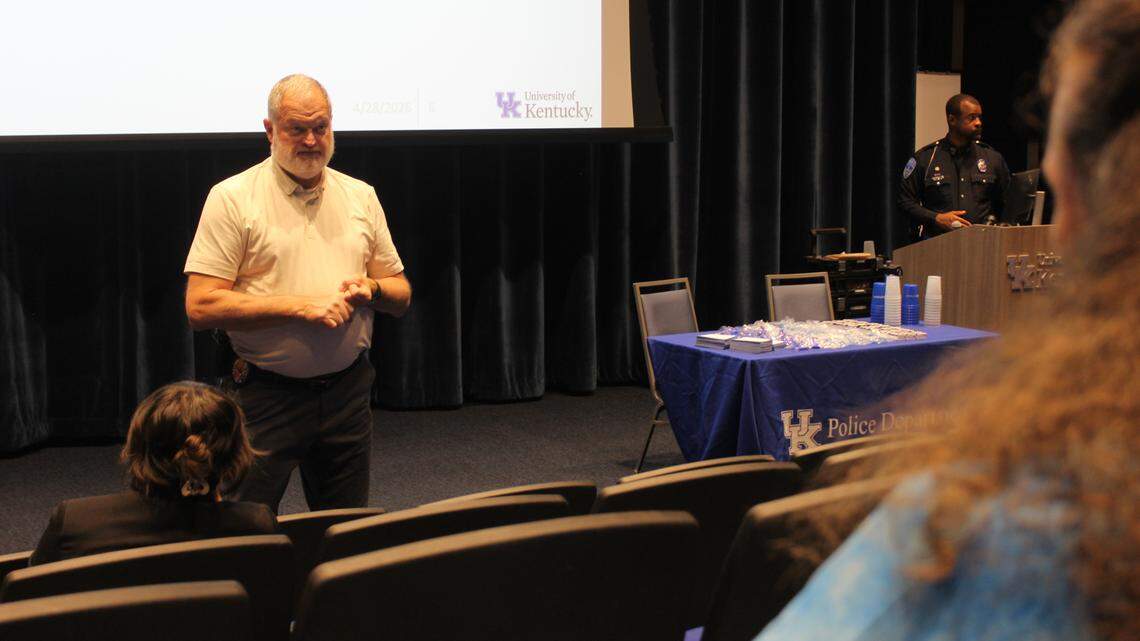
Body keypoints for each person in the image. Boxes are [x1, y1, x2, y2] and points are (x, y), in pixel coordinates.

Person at [757, 1, 1139, 640]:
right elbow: (904, 199)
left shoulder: (991, 515)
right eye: (974, 113)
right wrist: (940, 222)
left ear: (1077, 212)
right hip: (935, 248)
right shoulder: (922, 159)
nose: (982, 121)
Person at [183, 74, 411, 513]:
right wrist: (299, 308)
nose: (311, 140)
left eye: (321, 127)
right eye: (297, 128)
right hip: (265, 398)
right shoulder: (232, 198)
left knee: (344, 529)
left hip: (348, 393)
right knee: (242, 529)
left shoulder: (361, 196)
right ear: (270, 131)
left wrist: (372, 288)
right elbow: (201, 305)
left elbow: (400, 294)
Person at [30, 382, 276, 565]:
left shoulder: (75, 522)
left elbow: (29, 603)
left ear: (136, 446)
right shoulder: (258, 526)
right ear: (235, 454)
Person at [898, 94, 1011, 239]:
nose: (978, 123)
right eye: (971, 117)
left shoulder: (993, 158)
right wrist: (936, 218)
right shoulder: (925, 158)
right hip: (938, 245)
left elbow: (1008, 203)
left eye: (979, 117)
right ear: (952, 120)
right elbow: (905, 202)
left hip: (982, 245)